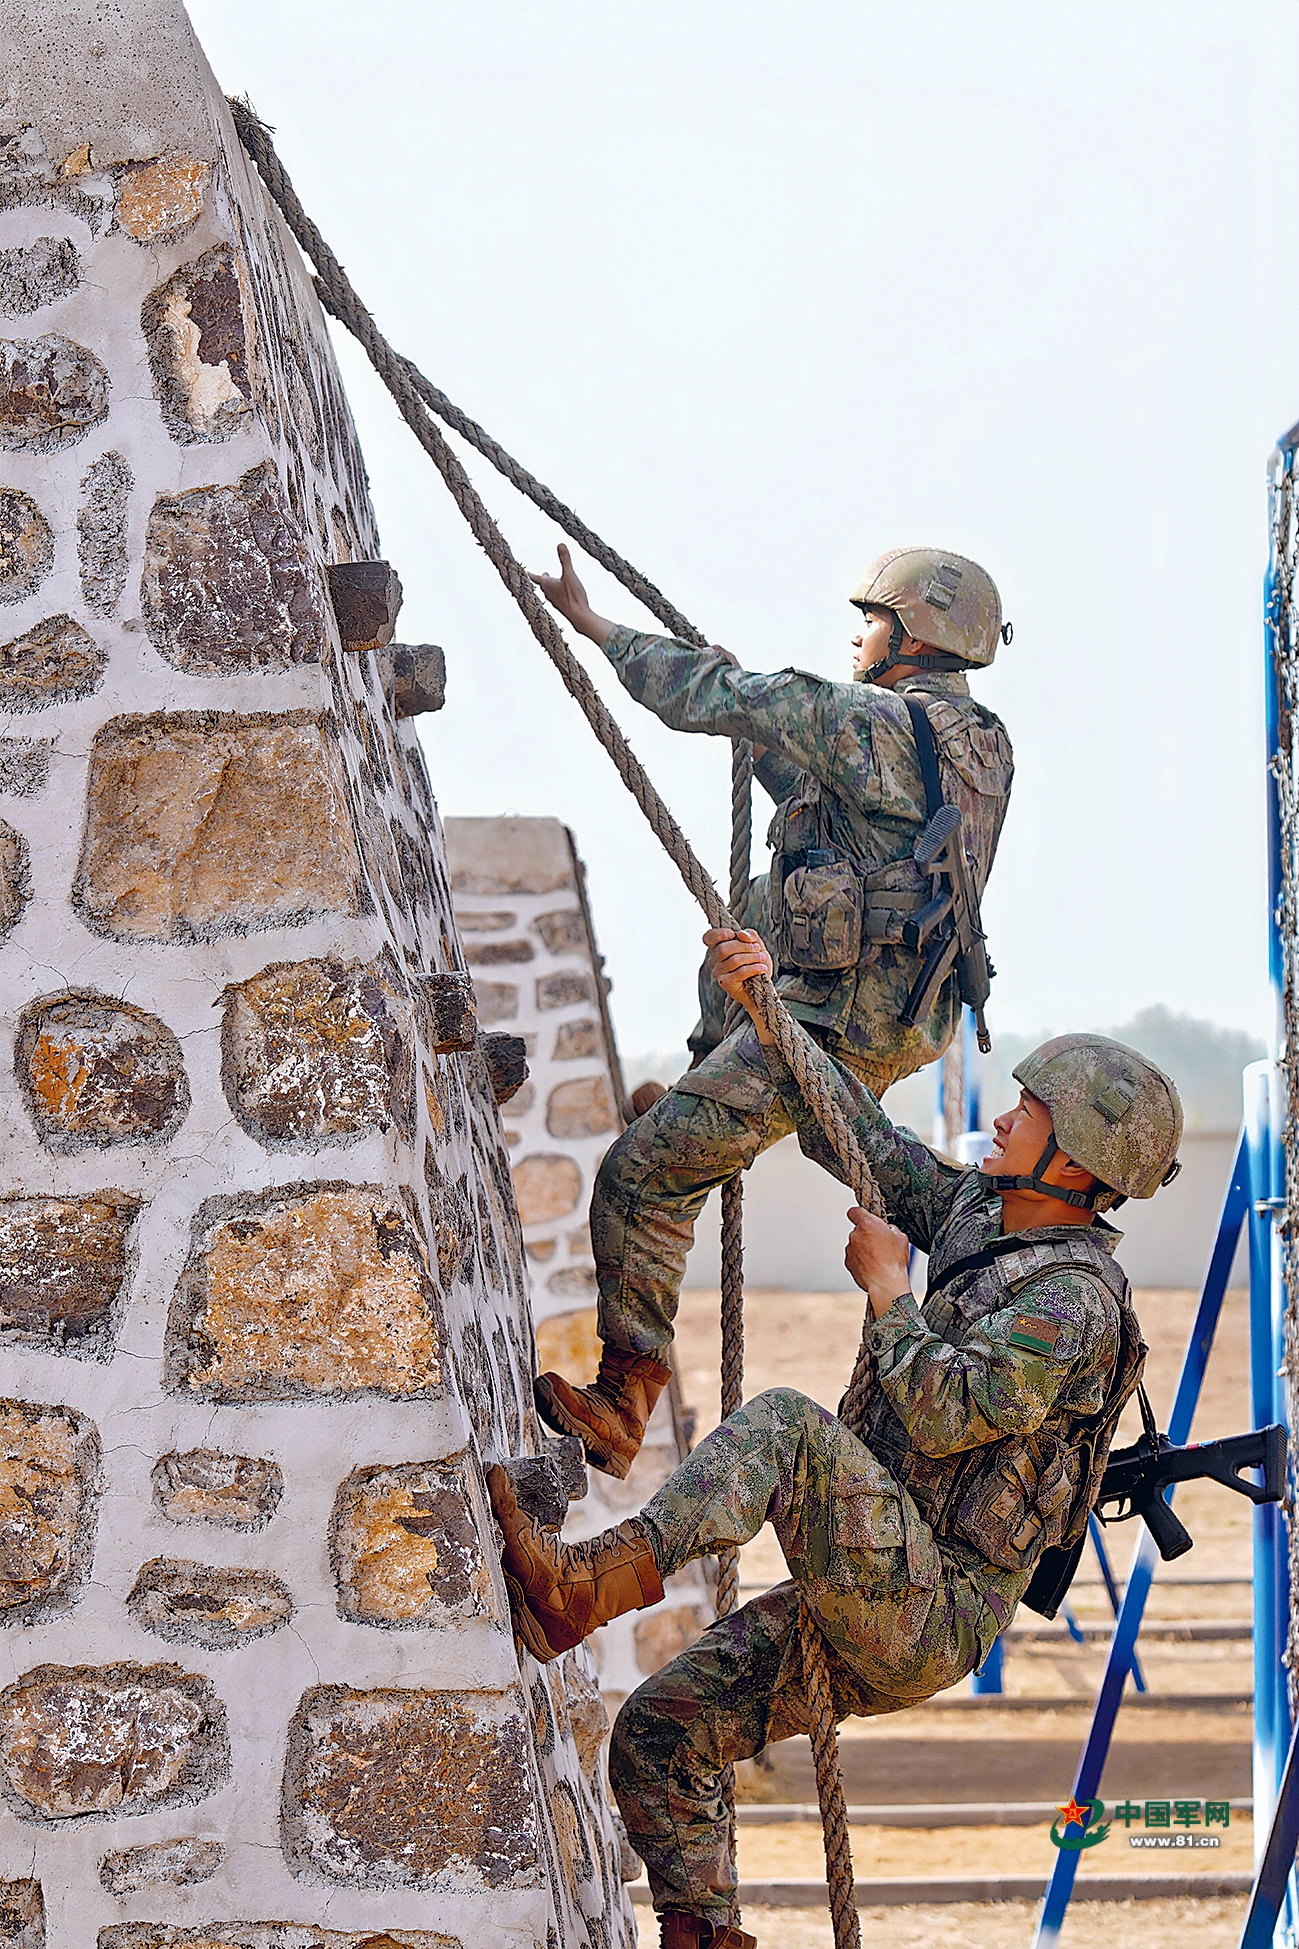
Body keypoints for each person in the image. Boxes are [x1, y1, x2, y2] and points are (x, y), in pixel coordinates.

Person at [488, 928, 1183, 1949]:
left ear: (1076, 1158)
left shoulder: (1073, 1298)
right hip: (877, 1572)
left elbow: (950, 1409)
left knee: (783, 1427)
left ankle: (581, 1586)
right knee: (660, 1730)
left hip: (929, 1605)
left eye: (1026, 1112)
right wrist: (770, 1008)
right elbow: (854, 1132)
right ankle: (703, 1931)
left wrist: (892, 1293)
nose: (1001, 1115)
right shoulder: (984, 1214)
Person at [531, 543, 1015, 1479]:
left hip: (829, 1019)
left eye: (871, 620)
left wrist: (597, 627)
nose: (857, 634)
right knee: (765, 914)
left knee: (640, 1177)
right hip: (904, 1013)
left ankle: (625, 1396)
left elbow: (717, 694)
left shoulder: (865, 719)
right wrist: (772, 749)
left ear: (910, 633)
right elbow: (847, 816)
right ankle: (978, 1226)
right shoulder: (977, 743)